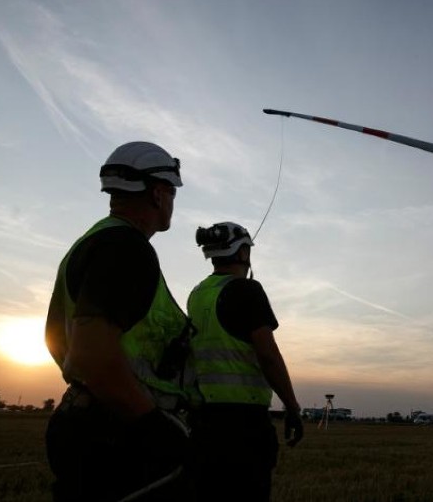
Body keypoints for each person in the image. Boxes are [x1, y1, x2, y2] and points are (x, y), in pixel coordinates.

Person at [44, 141, 196, 502]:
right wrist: (152, 426)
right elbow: (91, 355)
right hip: (117, 436)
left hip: (91, 423)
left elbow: (58, 340)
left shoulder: (95, 241)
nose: (173, 202)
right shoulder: (126, 249)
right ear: (159, 194)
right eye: (172, 193)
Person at [187, 221, 304, 501]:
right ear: (242, 254)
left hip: (203, 422)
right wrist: (291, 406)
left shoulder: (197, 294)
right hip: (243, 425)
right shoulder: (247, 290)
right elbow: (268, 354)